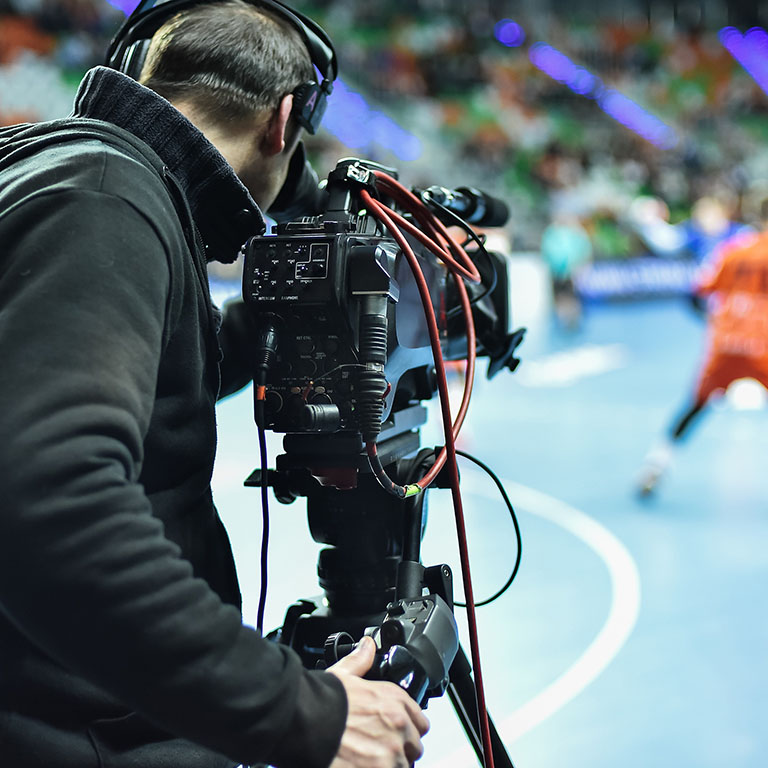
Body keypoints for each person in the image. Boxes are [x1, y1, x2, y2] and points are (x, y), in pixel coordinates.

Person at [0, 2, 429, 767]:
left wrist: (275, 321)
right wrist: (294, 711)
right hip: (67, 728)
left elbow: (146, 377)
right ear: (284, 119)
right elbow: (48, 497)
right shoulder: (104, 197)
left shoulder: (65, 171)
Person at [636, 200, 768, 497]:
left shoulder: (732, 251)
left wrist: (716, 321)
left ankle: (655, 466)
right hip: (764, 348)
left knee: (696, 404)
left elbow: (696, 293)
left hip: (726, 346)